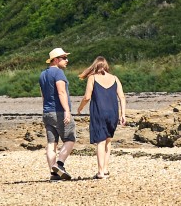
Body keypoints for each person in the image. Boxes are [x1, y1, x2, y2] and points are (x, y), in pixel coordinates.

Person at [73, 55, 126, 180]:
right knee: (108, 140)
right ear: (106, 66)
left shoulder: (92, 78)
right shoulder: (115, 78)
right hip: (113, 112)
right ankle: (106, 169)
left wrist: (80, 108)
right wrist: (123, 114)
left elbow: (87, 97)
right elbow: (122, 97)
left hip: (99, 112)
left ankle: (100, 172)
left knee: (100, 142)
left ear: (95, 66)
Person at [40, 46, 75, 180]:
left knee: (51, 143)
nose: (67, 60)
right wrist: (67, 110)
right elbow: (61, 92)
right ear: (55, 60)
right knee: (70, 138)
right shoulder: (58, 73)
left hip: (47, 112)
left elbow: (43, 95)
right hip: (59, 111)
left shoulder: (43, 74)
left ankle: (53, 174)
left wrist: (45, 110)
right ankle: (59, 164)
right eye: (64, 58)